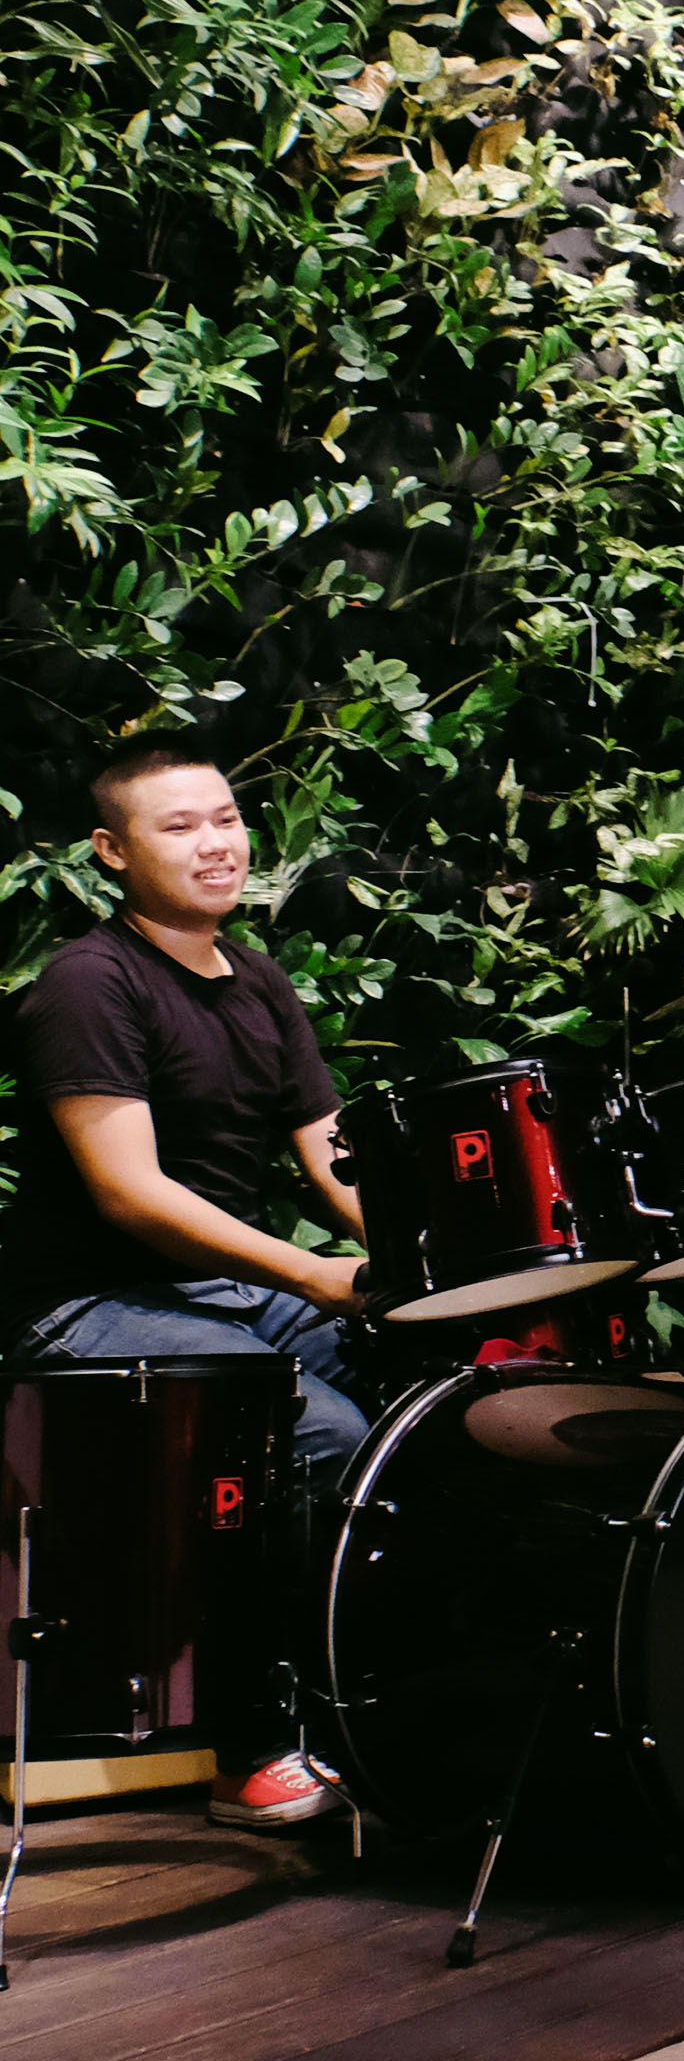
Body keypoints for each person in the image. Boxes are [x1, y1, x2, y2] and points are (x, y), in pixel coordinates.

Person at [1, 745, 371, 1830]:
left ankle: (376, 1693)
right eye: (179, 827)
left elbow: (332, 1153)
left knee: (417, 1378)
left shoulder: (255, 977)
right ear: (112, 852)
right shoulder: (88, 984)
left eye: (226, 819)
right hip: (82, 1304)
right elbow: (131, 1195)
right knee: (314, 1435)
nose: (216, 844)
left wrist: (423, 1262)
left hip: (218, 1294)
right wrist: (313, 1271)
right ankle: (247, 1741)